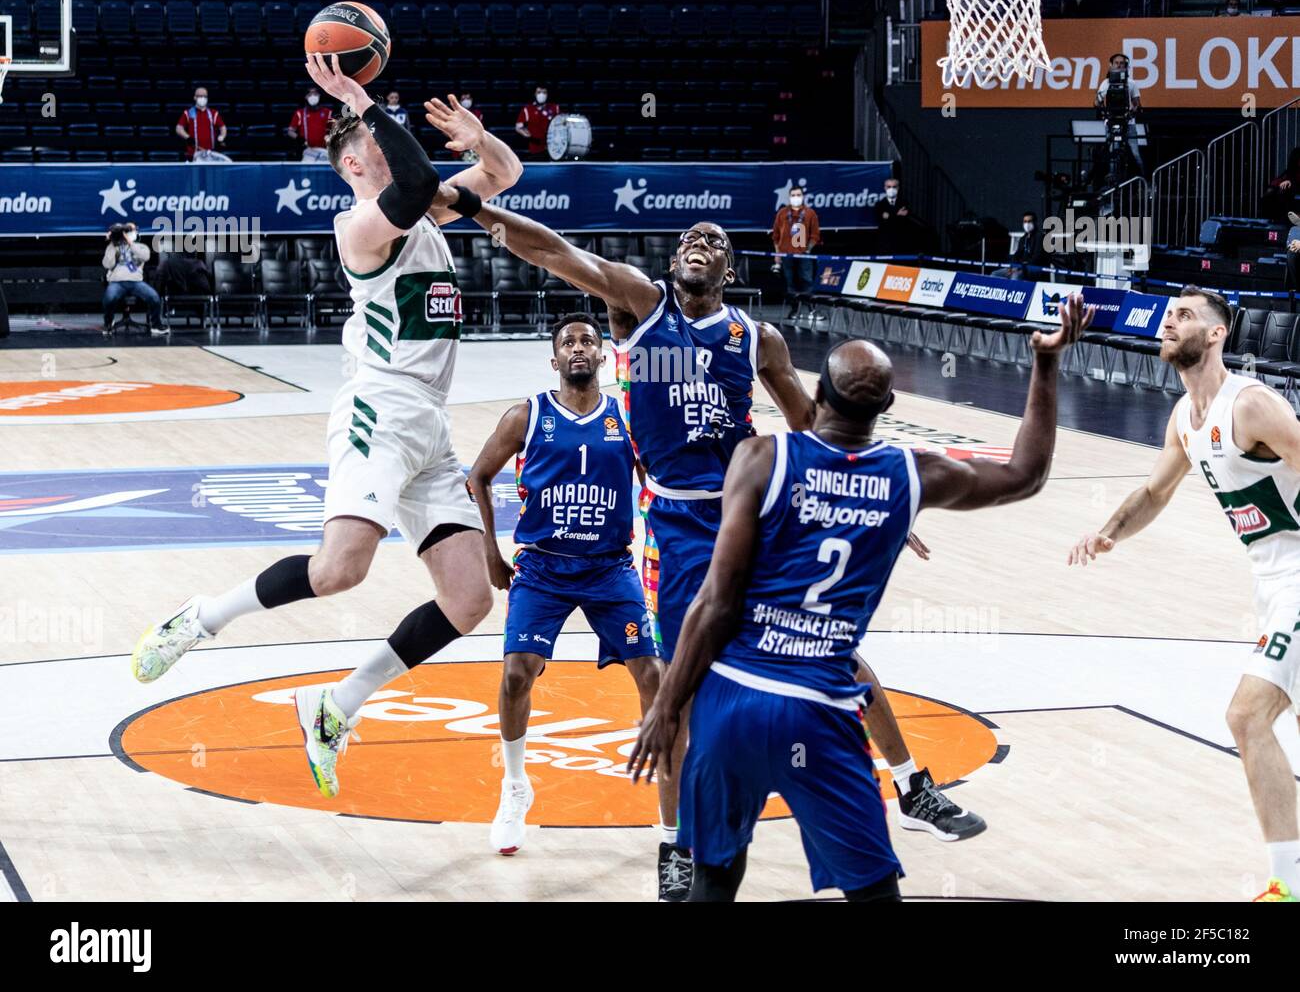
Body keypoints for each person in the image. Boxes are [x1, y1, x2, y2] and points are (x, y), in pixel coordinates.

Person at [444, 190, 985, 893]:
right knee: (680, 693)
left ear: (728, 268)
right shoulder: (642, 306)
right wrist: (473, 206)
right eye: (689, 238)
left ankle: (913, 788)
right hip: (675, 525)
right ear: (674, 262)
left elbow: (814, 424)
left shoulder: (758, 338)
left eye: (714, 239)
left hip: (749, 515)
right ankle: (678, 844)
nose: (700, 240)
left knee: (832, 653)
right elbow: (552, 249)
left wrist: (878, 496)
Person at [131, 60, 524, 803]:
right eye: (379, 137)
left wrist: (481, 139)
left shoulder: (429, 208)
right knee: (341, 569)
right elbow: (408, 185)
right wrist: (361, 101)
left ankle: (337, 705)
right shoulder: (361, 227)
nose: (396, 142)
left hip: (427, 424)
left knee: (470, 600)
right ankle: (200, 619)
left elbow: (504, 173)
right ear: (352, 160)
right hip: (379, 409)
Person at [628, 298, 1092, 901]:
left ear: (816, 394)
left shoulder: (762, 457)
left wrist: (667, 705)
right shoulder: (912, 474)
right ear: (890, 406)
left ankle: (910, 788)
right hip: (821, 711)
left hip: (731, 705)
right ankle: (910, 791)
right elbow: (1026, 474)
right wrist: (1046, 364)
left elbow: (714, 604)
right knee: (874, 894)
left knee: (713, 883)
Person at [1068, 287, 1300, 903]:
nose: (1170, 323)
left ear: (1218, 334)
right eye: (1168, 315)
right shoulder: (1183, 417)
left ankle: (1290, 887)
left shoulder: (1250, 406)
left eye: (1186, 316)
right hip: (1271, 581)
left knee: (1247, 718)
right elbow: (1155, 492)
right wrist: (1109, 532)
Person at [466, 313, 666, 859]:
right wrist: (490, 550)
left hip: (609, 568)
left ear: (602, 357)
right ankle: (514, 787)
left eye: (588, 341)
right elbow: (477, 476)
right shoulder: (527, 415)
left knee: (651, 672)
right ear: (554, 360)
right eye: (568, 343)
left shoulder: (626, 419)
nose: (579, 348)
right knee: (515, 675)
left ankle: (670, 800)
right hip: (542, 570)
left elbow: (660, 487)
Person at [102, 222, 166, 337]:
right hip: (117, 282)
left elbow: (145, 257)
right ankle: (108, 323)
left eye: (131, 231)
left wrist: (130, 243)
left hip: (136, 282)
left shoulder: (141, 247)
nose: (128, 233)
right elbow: (107, 265)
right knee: (109, 299)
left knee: (154, 298)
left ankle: (156, 325)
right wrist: (112, 244)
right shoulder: (113, 247)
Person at [771, 185, 821, 314]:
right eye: (793, 195)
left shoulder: (810, 213)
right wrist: (777, 254)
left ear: (803, 196)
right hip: (786, 254)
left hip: (804, 255)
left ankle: (811, 309)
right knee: (789, 282)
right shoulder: (782, 213)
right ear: (789, 197)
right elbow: (775, 236)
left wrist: (808, 249)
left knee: (807, 281)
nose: (796, 198)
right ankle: (794, 309)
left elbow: (815, 235)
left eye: (798, 195)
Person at [993, 211, 1050, 281]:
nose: (1027, 224)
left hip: (1034, 268)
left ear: (1035, 222)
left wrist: (1020, 267)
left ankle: (1013, 291)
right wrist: (1012, 266)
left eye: (1029, 221)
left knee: (1015, 276)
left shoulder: (1040, 237)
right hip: (1020, 267)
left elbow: (1036, 258)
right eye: (1025, 222)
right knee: (995, 274)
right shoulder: (1023, 238)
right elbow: (1017, 254)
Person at [175, 87, 226, 161]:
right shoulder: (188, 113)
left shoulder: (214, 113)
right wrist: (187, 137)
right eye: (200, 96)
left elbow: (223, 127)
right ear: (195, 97)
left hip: (210, 155)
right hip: (193, 155)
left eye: (205, 96)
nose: (203, 98)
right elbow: (179, 128)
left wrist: (221, 137)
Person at [288, 88, 333, 162]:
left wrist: (329, 137)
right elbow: (290, 131)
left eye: (315, 94)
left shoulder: (328, 112)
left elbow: (334, 130)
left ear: (319, 96)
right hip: (308, 151)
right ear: (306, 97)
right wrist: (298, 138)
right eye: (310, 94)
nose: (313, 96)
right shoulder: (300, 113)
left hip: (324, 151)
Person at [515, 84, 559, 159]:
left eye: (544, 92)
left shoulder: (555, 108)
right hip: (535, 148)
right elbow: (518, 127)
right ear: (535, 94)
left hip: (553, 148)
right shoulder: (528, 109)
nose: (541, 95)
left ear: (547, 94)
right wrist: (527, 134)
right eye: (539, 92)